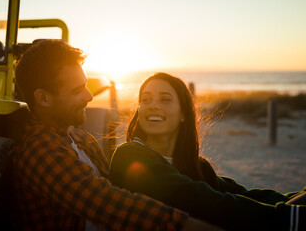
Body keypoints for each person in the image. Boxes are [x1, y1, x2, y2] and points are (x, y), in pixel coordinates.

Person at [10, 39, 222, 231]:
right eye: (76, 91)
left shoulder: (81, 139)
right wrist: (186, 225)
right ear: (44, 99)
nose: (89, 96)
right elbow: (107, 203)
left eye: (85, 86)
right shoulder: (40, 150)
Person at [109, 72, 306, 231]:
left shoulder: (194, 165)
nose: (153, 106)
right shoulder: (129, 156)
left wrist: (294, 199)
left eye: (165, 99)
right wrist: (289, 218)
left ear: (183, 115)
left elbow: (238, 193)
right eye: (146, 99)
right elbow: (206, 202)